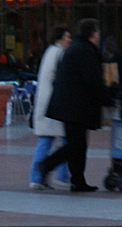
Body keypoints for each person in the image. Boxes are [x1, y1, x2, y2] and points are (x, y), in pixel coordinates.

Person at [35, 18, 115, 192]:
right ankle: (49, 165)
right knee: (76, 145)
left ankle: (77, 180)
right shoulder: (85, 51)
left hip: (70, 106)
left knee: (77, 144)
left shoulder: (77, 48)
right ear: (93, 33)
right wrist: (108, 98)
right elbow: (92, 80)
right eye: (98, 32)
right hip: (75, 107)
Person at [29, 24, 72, 190]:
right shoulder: (60, 53)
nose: (69, 40)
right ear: (60, 38)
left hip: (44, 103)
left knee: (46, 139)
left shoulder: (49, 52)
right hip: (55, 104)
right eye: (67, 36)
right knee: (64, 141)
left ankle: (37, 177)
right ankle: (61, 176)